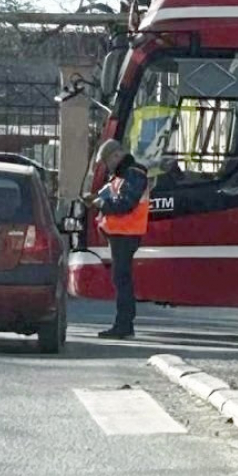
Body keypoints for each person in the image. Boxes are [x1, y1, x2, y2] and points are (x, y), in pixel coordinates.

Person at [86, 139, 150, 339]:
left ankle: (124, 326)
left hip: (127, 234)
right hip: (121, 234)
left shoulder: (134, 174)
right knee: (121, 279)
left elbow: (125, 203)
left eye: (107, 161)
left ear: (116, 155)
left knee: (122, 281)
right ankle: (123, 324)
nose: (107, 166)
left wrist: (100, 203)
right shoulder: (122, 176)